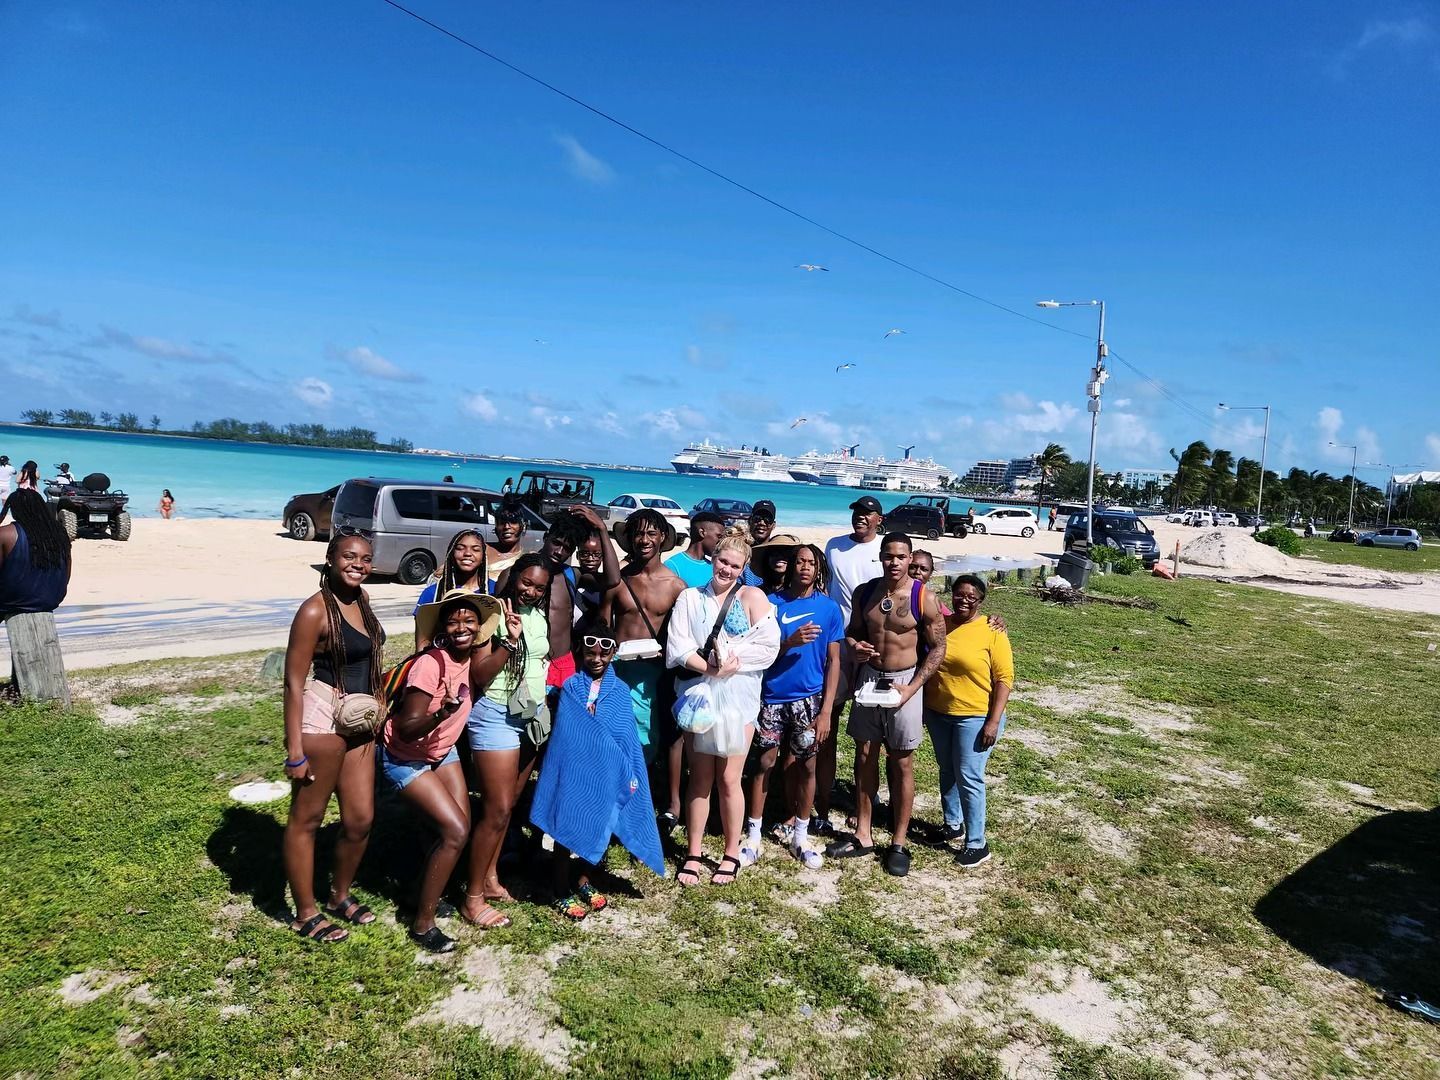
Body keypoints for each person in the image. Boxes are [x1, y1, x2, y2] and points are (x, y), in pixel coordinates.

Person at [280, 530, 387, 943]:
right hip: (323, 720)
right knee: (307, 820)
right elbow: (293, 682)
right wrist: (294, 750)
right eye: (349, 556)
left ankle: (338, 895)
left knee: (360, 820)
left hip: (360, 720)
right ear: (330, 558)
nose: (358, 564)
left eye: (365, 558)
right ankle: (304, 913)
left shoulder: (362, 600)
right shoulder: (314, 610)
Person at [380, 589, 502, 951]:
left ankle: (417, 893)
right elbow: (406, 728)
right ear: (442, 628)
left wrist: (510, 641)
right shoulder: (431, 664)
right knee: (455, 830)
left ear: (479, 627)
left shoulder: (471, 661)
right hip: (404, 756)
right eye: (453, 621)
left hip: (441, 752)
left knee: (459, 827)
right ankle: (422, 925)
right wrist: (442, 713)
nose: (461, 627)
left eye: (469, 620)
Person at [530, 612, 666, 920]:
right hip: (575, 772)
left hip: (605, 774)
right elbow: (567, 733)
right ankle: (559, 889)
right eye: (590, 653)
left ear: (613, 653)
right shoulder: (571, 687)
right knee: (566, 829)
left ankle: (584, 880)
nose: (596, 659)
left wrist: (629, 771)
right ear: (581, 651)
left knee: (599, 826)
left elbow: (625, 736)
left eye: (603, 654)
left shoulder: (619, 692)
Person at [827, 532, 946, 878]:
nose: (894, 562)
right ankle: (863, 834)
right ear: (880, 557)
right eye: (888, 556)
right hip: (870, 678)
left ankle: (898, 842)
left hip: (904, 680)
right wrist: (855, 646)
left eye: (900, 556)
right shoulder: (866, 592)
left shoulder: (924, 597)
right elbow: (852, 631)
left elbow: (939, 647)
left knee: (901, 761)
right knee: (865, 755)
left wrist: (912, 688)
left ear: (910, 559)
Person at [667, 525, 779, 887]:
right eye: (722, 562)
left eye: (734, 565)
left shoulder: (752, 597)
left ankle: (731, 853)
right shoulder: (690, 598)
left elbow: (769, 646)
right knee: (700, 777)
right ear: (713, 559)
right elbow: (679, 646)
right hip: (699, 696)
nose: (726, 570)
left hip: (740, 700)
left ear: (743, 568)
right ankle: (693, 853)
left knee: (730, 778)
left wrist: (732, 660)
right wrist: (711, 668)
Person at [462, 553, 553, 927]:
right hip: (497, 715)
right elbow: (480, 674)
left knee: (509, 805)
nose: (531, 591)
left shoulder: (538, 616)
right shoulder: (491, 614)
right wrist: (509, 643)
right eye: (526, 582)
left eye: (539, 588)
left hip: (530, 716)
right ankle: (472, 898)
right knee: (496, 809)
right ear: (513, 577)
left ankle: (490, 877)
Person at [744, 544, 843, 869]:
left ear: (818, 569)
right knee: (764, 763)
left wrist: (826, 711)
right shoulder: (770, 603)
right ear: (790, 566)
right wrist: (789, 642)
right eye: (799, 561)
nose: (804, 567)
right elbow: (757, 652)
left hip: (809, 701)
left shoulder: (829, 608)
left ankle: (801, 836)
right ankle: (753, 837)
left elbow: (834, 661)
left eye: (811, 562)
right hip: (771, 697)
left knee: (807, 766)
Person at [924, 575, 1013, 867]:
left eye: (971, 597)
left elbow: (1004, 679)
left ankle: (977, 843)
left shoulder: (991, 630)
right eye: (959, 595)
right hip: (939, 713)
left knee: (969, 775)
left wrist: (993, 721)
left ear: (980, 601)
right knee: (947, 769)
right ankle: (953, 824)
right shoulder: (942, 625)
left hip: (975, 716)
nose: (964, 600)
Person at [814, 496, 885, 836]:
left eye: (868, 513)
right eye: (857, 512)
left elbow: (911, 589)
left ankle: (864, 802)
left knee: (868, 734)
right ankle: (822, 796)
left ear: (879, 519)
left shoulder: (886, 550)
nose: (860, 517)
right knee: (828, 721)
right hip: (839, 644)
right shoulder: (834, 546)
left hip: (874, 648)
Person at [496, 507, 618, 702]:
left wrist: (602, 529)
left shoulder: (572, 575)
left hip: (563, 665)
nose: (560, 552)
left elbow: (613, 579)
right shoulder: (516, 574)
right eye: (556, 543)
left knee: (561, 718)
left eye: (567, 548)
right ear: (546, 537)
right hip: (527, 663)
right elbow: (497, 619)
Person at [601, 510, 685, 767]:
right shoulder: (618, 581)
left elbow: (680, 635)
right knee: (609, 732)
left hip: (651, 673)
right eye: (638, 534)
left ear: (662, 537)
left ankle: (637, 784)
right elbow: (602, 627)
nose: (644, 540)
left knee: (644, 736)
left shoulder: (676, 586)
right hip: (615, 669)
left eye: (651, 533)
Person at [0, 488, 72, 622]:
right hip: (51, 599)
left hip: (13, 601)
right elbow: (67, 575)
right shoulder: (60, 533)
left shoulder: (5, 534)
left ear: (14, 510)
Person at [666, 511, 724, 588]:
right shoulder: (672, 565)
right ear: (702, 533)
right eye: (719, 536)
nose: (721, 542)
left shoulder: (714, 566)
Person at [743, 500, 778, 585]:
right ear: (750, 521)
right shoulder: (739, 549)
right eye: (757, 518)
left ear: (773, 525)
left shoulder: (776, 553)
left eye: (767, 520)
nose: (762, 523)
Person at [909, 549, 952, 617]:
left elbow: (949, 618)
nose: (917, 572)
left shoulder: (931, 600)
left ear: (930, 573)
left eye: (924, 569)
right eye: (912, 567)